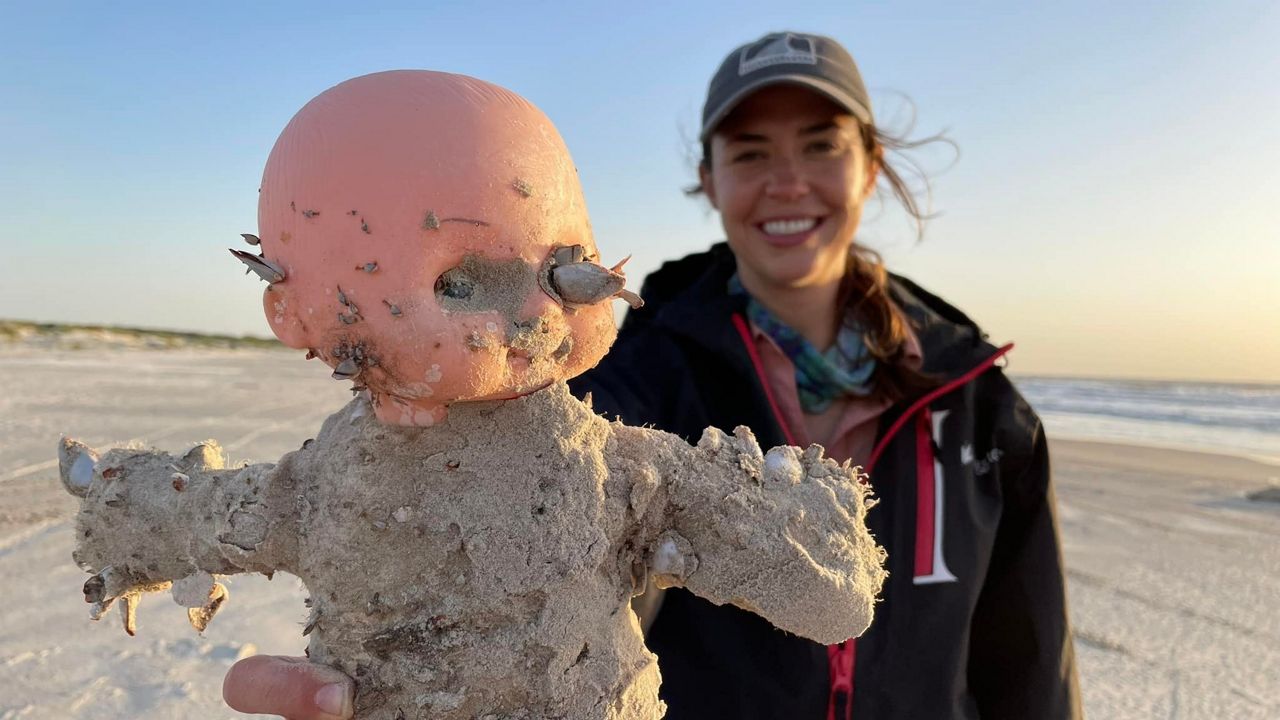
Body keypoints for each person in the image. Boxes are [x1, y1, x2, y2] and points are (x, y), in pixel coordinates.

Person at [222, 31, 1081, 720]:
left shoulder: (978, 405)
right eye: (749, 153)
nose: (787, 181)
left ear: (869, 164)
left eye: (820, 145)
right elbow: (530, 538)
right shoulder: (632, 375)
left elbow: (1031, 659)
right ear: (707, 177)